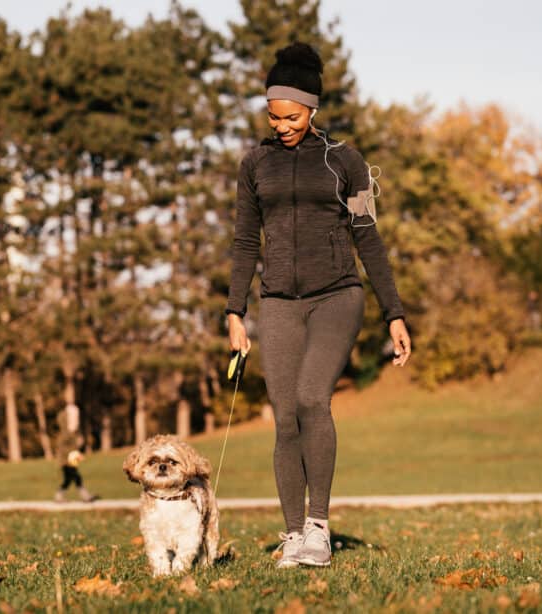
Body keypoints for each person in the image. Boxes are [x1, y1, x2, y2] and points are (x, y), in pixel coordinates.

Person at [225, 42, 411, 569]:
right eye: (273, 114)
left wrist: (393, 311)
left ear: (312, 110)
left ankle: (318, 528)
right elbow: (244, 242)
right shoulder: (254, 164)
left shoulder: (346, 162)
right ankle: (291, 536)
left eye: (291, 115)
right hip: (279, 302)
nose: (281, 124)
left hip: (337, 297)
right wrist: (233, 311)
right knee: (285, 419)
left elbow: (368, 238)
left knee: (311, 398)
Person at [53, 403, 98, 503]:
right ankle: (85, 496)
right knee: (76, 478)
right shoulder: (65, 434)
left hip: (70, 461)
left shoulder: (71, 433)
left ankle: (59, 496)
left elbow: (72, 447)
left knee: (68, 480)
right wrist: (74, 453)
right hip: (66, 462)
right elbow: (63, 447)